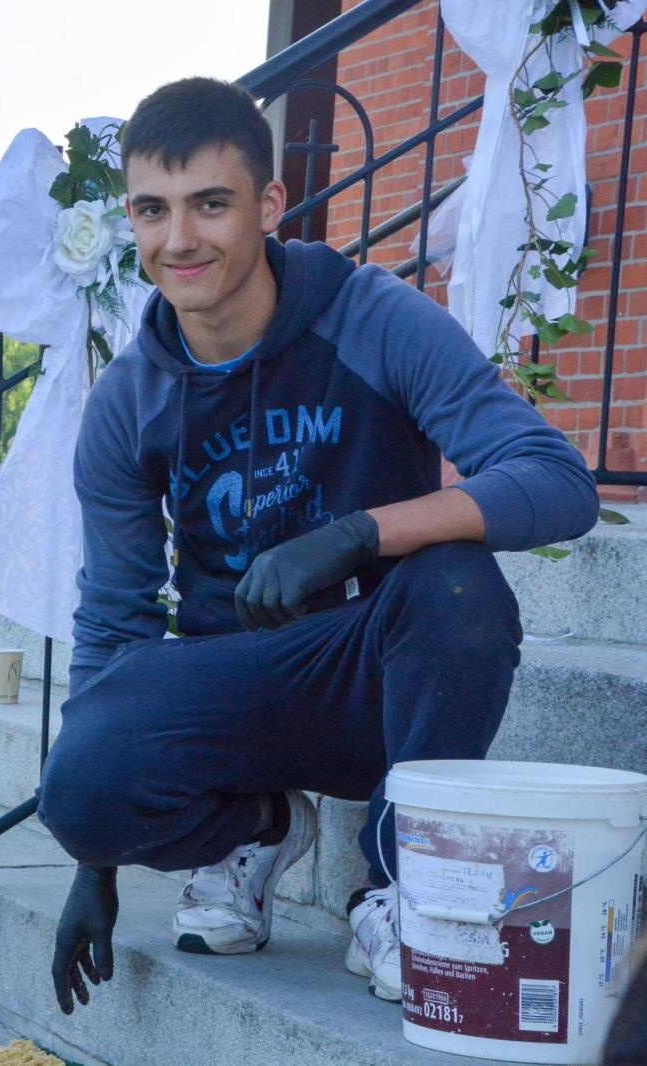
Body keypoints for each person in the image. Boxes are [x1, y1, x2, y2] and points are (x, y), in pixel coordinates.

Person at [35, 78, 598, 1015]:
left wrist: (359, 534)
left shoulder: (371, 316)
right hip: (234, 679)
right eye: (153, 210)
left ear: (268, 206)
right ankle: (256, 829)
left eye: (211, 204)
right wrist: (92, 858)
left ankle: (399, 886)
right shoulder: (130, 398)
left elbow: (556, 480)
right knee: (78, 785)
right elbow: (113, 622)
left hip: (373, 670)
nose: (180, 239)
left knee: (457, 585)